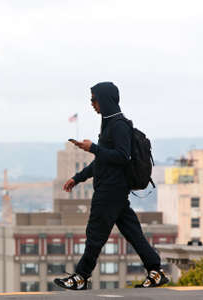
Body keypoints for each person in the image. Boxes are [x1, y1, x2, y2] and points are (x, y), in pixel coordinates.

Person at [53, 82, 169, 290]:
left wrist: (94, 148)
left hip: (110, 191)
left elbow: (123, 156)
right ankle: (156, 271)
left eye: (94, 99)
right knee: (132, 232)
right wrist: (78, 177)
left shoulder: (118, 125)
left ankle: (80, 277)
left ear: (105, 99)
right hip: (113, 189)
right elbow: (102, 161)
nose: (92, 104)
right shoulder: (109, 123)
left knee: (95, 234)